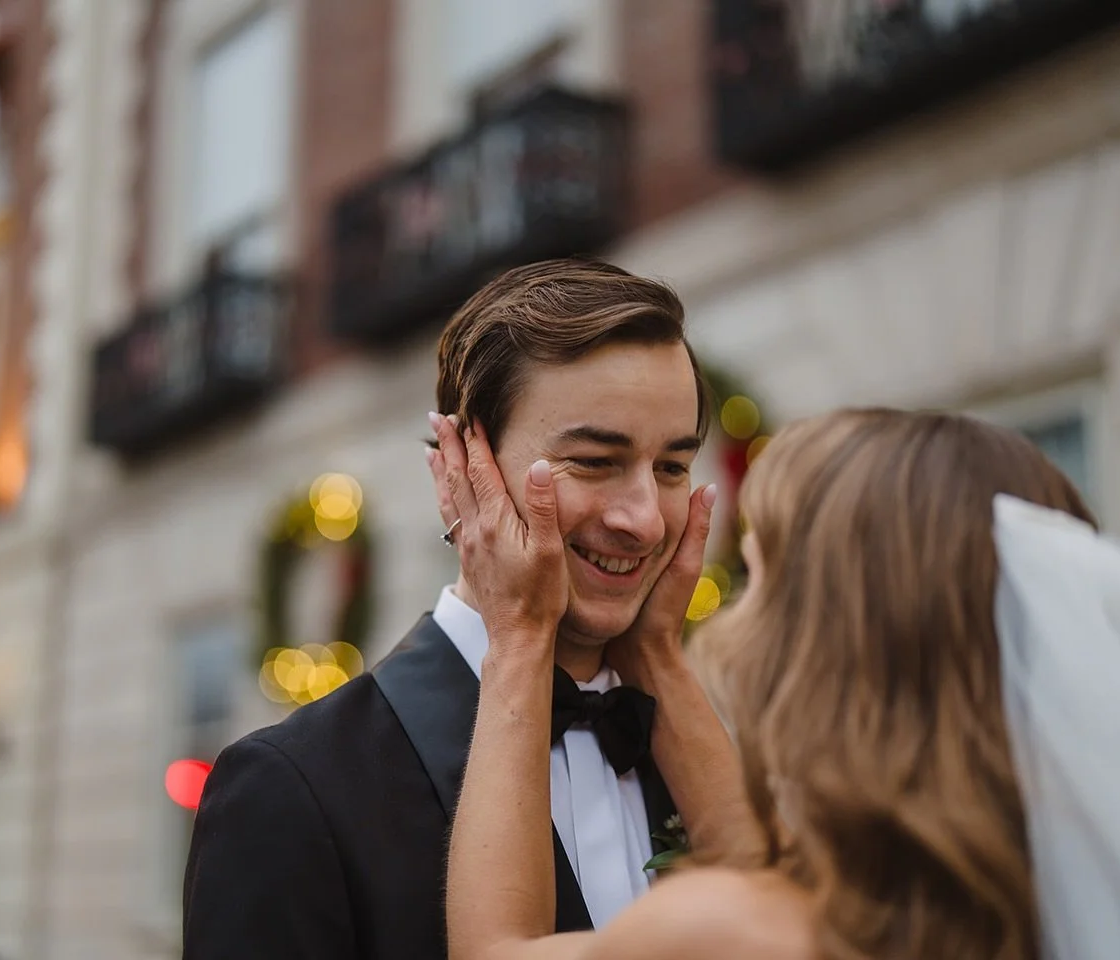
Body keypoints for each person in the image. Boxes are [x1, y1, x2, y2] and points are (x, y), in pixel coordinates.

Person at [437, 406, 1120, 959]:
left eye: (762, 581)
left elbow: (500, 951)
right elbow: (769, 867)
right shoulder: (1054, 891)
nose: (737, 623)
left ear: (833, 646)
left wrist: (520, 633)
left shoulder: (734, 933)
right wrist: (655, 656)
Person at [181, 258, 751, 960]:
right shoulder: (292, 787)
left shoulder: (713, 761)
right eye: (596, 462)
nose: (645, 521)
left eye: (670, 468)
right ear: (461, 469)